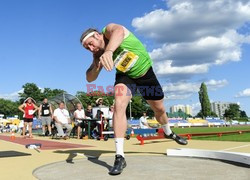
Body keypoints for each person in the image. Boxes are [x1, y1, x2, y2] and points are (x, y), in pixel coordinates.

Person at [80, 23, 188, 175]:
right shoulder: (98, 54)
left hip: (145, 75)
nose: (91, 49)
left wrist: (109, 51)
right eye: (87, 48)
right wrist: (96, 66)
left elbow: (118, 31)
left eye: (90, 44)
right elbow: (89, 78)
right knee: (119, 105)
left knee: (159, 109)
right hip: (126, 77)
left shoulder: (109, 31)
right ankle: (119, 156)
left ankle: (168, 132)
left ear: (97, 35)